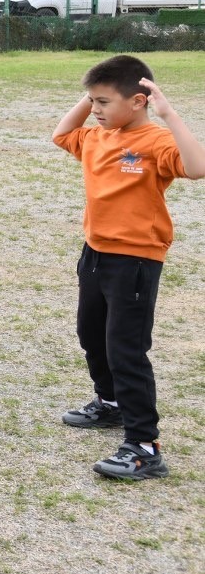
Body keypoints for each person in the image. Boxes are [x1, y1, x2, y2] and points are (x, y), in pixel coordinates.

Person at [52, 56, 205, 481]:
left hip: (136, 260)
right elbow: (61, 134)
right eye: (91, 100)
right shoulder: (97, 137)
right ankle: (111, 404)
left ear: (139, 101)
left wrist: (168, 112)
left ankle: (144, 446)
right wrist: (89, 99)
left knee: (126, 350)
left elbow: (198, 167)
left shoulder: (154, 141)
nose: (95, 109)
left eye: (103, 101)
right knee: (91, 333)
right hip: (95, 252)